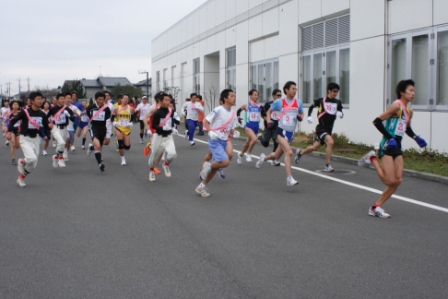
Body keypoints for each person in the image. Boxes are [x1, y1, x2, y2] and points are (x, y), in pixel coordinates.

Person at [358, 79, 427, 219]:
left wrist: (416, 137)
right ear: (402, 92)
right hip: (388, 145)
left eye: (414, 90)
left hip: (398, 146)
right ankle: (372, 158)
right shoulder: (396, 106)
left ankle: (375, 207)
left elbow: (406, 128)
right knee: (389, 181)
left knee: (398, 180)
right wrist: (389, 137)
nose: (413, 93)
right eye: (410, 90)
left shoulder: (409, 110)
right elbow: (377, 121)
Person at [255, 81, 304, 186]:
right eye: (293, 89)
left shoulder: (298, 102)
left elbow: (301, 112)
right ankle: (289, 179)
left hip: (290, 133)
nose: (295, 91)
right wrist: (268, 121)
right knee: (289, 152)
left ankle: (264, 158)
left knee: (276, 155)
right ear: (286, 90)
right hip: (281, 131)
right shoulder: (279, 102)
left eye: (296, 89)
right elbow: (268, 111)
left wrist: (301, 117)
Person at [294, 82, 344, 172]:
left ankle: (300, 153)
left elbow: (340, 110)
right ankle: (327, 165)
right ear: (329, 91)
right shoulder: (322, 100)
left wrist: (341, 113)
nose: (336, 93)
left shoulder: (337, 102)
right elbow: (311, 107)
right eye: (334, 91)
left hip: (329, 129)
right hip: (321, 128)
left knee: (315, 147)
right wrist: (309, 116)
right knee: (331, 142)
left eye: (337, 92)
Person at [196, 89, 236, 197]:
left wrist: (234, 132)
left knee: (215, 168)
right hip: (215, 140)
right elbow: (206, 121)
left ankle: (201, 187)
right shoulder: (218, 110)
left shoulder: (233, 113)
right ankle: (207, 166)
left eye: (234, 96)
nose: (234, 98)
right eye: (231, 96)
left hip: (224, 141)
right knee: (225, 162)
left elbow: (230, 128)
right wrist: (210, 132)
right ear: (225, 98)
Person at [7, 92, 53, 187]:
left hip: (36, 139)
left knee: (33, 165)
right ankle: (22, 162)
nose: (40, 101)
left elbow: (45, 126)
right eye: (38, 99)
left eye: (41, 99)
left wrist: (49, 127)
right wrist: (9, 131)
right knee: (32, 158)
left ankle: (21, 178)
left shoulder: (42, 114)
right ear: (32, 101)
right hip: (25, 138)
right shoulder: (25, 112)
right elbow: (13, 121)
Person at [146, 91, 179, 182]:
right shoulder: (157, 112)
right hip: (158, 136)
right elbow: (154, 125)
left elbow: (171, 121)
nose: (168, 102)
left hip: (168, 136)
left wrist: (173, 128)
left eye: (169, 100)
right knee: (154, 156)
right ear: (160, 101)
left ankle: (166, 164)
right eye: (166, 100)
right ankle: (151, 171)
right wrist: (162, 128)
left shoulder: (171, 111)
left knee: (172, 154)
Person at [47, 93, 75, 168]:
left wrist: (68, 115)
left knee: (61, 143)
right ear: (57, 100)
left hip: (64, 128)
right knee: (62, 142)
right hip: (56, 128)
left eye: (64, 99)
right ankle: (61, 157)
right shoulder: (53, 109)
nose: (63, 100)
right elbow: (46, 118)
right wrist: (48, 124)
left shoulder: (67, 109)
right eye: (61, 99)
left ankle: (56, 157)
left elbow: (73, 119)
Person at [86, 91, 112, 172]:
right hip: (94, 127)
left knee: (99, 146)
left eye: (102, 99)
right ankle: (100, 164)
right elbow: (88, 115)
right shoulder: (91, 107)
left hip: (102, 128)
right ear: (96, 99)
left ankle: (91, 147)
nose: (101, 101)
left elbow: (108, 117)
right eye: (99, 99)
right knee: (97, 145)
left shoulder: (106, 109)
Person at [236, 89, 261, 164]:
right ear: (250, 96)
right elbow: (238, 111)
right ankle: (249, 154)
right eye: (255, 95)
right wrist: (238, 117)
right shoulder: (246, 105)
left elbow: (263, 114)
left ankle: (240, 155)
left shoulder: (259, 106)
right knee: (254, 139)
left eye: (257, 95)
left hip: (256, 127)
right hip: (248, 126)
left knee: (247, 143)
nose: (257, 96)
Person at [258, 89, 282, 166]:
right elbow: (262, 115)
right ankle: (260, 137)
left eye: (280, 95)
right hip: (268, 126)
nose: (279, 97)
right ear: (273, 96)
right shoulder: (268, 104)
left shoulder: (282, 104)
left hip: (277, 126)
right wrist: (268, 120)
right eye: (278, 95)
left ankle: (274, 160)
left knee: (276, 142)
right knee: (265, 144)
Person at [113, 94, 134, 165]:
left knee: (127, 146)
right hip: (119, 127)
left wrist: (131, 122)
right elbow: (112, 117)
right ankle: (123, 159)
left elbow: (133, 117)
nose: (126, 100)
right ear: (121, 99)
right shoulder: (117, 108)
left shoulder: (130, 108)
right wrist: (114, 122)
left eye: (127, 99)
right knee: (120, 144)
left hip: (126, 128)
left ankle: (123, 148)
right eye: (124, 98)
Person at [6, 100, 22, 164]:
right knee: (13, 143)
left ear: (18, 106)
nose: (15, 106)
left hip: (18, 129)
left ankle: (16, 145)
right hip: (11, 129)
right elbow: (6, 120)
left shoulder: (20, 113)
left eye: (16, 104)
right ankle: (13, 159)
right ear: (12, 106)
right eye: (14, 104)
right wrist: (4, 126)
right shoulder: (9, 113)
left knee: (17, 146)